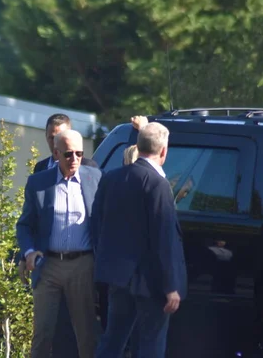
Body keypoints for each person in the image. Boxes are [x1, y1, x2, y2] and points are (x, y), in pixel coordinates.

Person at [92, 122, 187, 358]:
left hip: (118, 279)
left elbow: (97, 224)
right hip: (151, 283)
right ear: (164, 151)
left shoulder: (111, 178)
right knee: (151, 345)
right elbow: (163, 238)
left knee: (112, 341)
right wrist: (171, 286)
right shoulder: (158, 184)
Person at [17, 129, 102, 358]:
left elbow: (107, 220)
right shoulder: (39, 183)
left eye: (79, 153)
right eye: (68, 154)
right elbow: (24, 225)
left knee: (86, 334)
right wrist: (28, 252)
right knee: (42, 333)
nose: (74, 159)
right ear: (56, 153)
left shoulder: (94, 178)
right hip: (49, 265)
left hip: (82, 264)